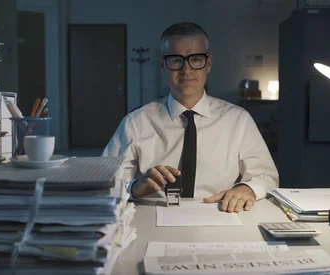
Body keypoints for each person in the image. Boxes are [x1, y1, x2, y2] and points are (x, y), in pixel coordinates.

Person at [102, 22, 279, 213]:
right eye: (176, 60)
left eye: (195, 59)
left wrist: (248, 188)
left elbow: (267, 176)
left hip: (220, 215)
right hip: (152, 215)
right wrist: (134, 187)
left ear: (208, 64)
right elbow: (105, 181)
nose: (186, 70)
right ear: (163, 64)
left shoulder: (238, 120)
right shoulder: (135, 123)